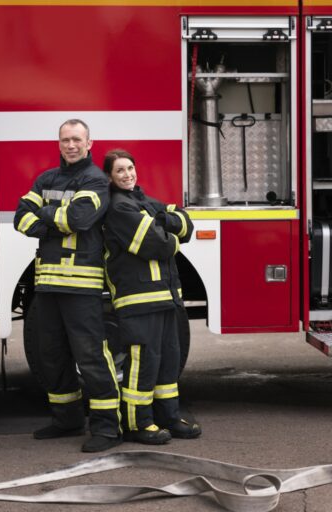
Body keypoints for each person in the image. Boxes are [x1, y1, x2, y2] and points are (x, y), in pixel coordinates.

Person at [13, 119, 121, 453]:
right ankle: (67, 419)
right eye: (65, 140)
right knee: (50, 355)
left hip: (82, 287)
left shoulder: (96, 180)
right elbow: (21, 218)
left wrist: (46, 215)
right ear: (59, 143)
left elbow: (80, 219)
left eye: (77, 140)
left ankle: (106, 428)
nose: (70, 145)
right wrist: (56, 217)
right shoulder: (47, 178)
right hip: (47, 285)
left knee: (90, 356)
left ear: (90, 143)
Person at [102, 149, 201, 445]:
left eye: (130, 168)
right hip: (138, 299)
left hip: (165, 296)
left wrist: (165, 222)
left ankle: (167, 416)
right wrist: (169, 229)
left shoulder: (142, 201)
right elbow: (157, 245)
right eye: (120, 170)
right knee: (143, 365)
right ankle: (137, 423)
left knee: (168, 360)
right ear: (110, 176)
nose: (127, 174)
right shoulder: (119, 208)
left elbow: (187, 223)